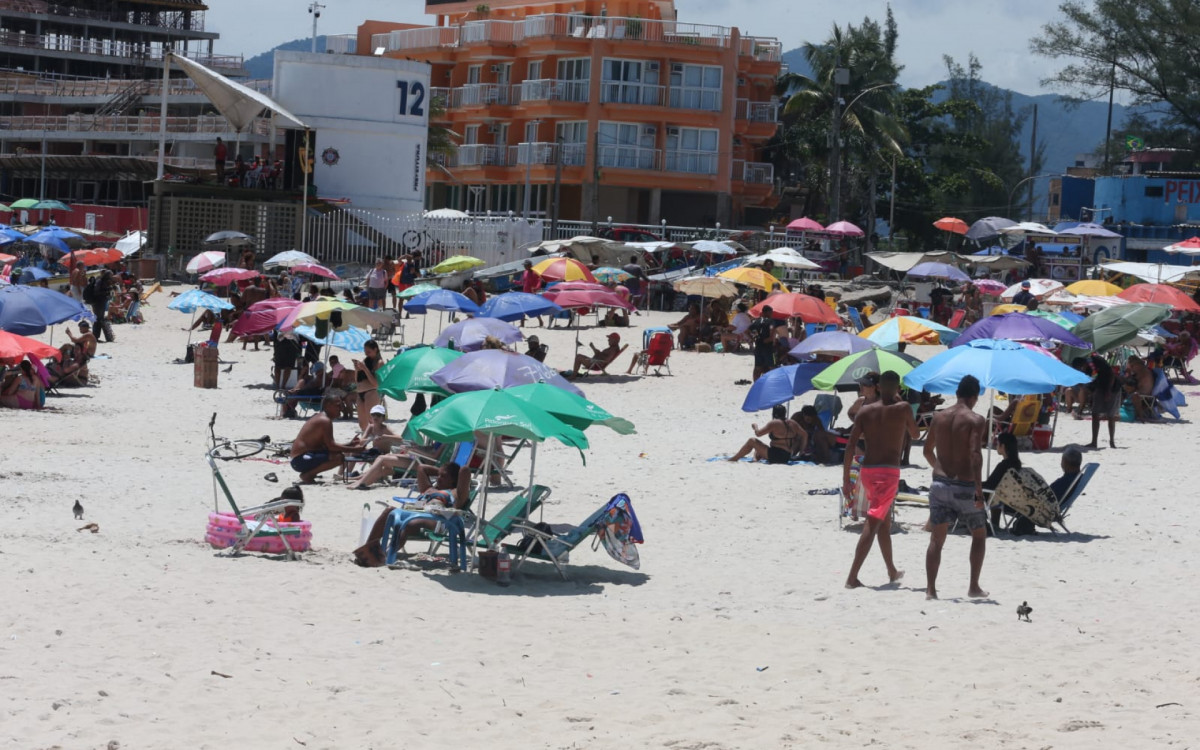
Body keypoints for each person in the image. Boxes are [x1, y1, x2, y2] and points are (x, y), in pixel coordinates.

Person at [843, 370, 920, 589]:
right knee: (874, 521)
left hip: (867, 471)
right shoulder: (903, 408)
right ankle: (852, 577)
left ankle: (892, 570)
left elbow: (850, 447)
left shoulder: (865, 412)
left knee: (884, 523)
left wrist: (845, 479)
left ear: (878, 387)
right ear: (897, 388)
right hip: (888, 473)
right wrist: (901, 404)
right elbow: (915, 434)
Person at [923, 374, 989, 601]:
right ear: (974, 396)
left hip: (940, 483)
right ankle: (973, 586)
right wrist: (979, 490)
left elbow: (926, 451)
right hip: (965, 485)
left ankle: (931, 591)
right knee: (979, 536)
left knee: (936, 541)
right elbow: (975, 456)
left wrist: (939, 470)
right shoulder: (975, 420)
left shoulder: (939, 417)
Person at [353, 460, 473, 568]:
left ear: (453, 479)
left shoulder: (456, 493)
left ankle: (388, 554)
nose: (438, 478)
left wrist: (452, 470)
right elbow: (421, 467)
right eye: (438, 475)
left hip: (437, 518)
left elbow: (465, 470)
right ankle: (368, 550)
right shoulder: (429, 489)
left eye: (443, 476)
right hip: (416, 510)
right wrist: (442, 471)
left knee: (410, 524)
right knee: (388, 511)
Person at [289, 395, 364, 483]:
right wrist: (355, 449)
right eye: (338, 405)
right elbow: (331, 447)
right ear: (328, 406)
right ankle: (308, 475)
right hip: (299, 460)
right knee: (338, 457)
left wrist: (350, 444)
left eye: (341, 405)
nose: (341, 408)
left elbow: (329, 445)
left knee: (337, 453)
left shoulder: (322, 418)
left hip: (299, 459)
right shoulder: (324, 421)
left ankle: (310, 473)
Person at [727, 405, 805, 463]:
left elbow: (758, 434)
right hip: (786, 456)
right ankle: (755, 459)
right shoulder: (793, 423)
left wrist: (755, 426)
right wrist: (801, 452)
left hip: (775, 455)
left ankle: (733, 459)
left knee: (752, 441)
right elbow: (805, 435)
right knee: (759, 448)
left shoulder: (774, 423)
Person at [985, 432, 1022, 529]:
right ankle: (994, 523)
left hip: (997, 497)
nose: (996, 446)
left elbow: (990, 485)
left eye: (997, 444)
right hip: (1009, 498)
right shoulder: (1016, 465)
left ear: (1003, 446)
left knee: (970, 490)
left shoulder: (1003, 466)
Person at [1087, 354, 1121, 448]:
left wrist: (1109, 391)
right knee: (1095, 413)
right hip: (1100, 386)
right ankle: (1094, 442)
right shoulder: (1085, 363)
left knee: (1110, 415)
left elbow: (1111, 374)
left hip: (1112, 387)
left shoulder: (1095, 360)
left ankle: (1112, 442)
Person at [353, 339, 382, 432]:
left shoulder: (379, 363)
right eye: (365, 352)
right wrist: (357, 370)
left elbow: (376, 383)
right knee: (362, 424)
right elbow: (357, 380)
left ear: (376, 349)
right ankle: (365, 442)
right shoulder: (366, 361)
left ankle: (375, 442)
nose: (367, 354)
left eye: (369, 352)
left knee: (372, 421)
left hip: (371, 392)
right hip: (360, 392)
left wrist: (365, 369)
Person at [748, 307, 778, 381]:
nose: (772, 314)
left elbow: (746, 331)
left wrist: (752, 338)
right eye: (771, 312)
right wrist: (768, 340)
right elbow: (771, 336)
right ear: (767, 312)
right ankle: (773, 384)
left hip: (758, 347)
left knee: (757, 367)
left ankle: (755, 384)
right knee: (772, 367)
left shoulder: (757, 321)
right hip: (768, 348)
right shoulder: (771, 322)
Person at [1124, 355, 1158, 422]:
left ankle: (1140, 416)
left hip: (1145, 397)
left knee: (1127, 392)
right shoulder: (1143, 370)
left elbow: (1133, 385)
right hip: (1144, 395)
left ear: (1136, 365)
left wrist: (1128, 373)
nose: (1132, 368)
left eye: (1132, 366)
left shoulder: (1142, 372)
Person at [91, 270, 115, 343]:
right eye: (111, 275)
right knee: (98, 319)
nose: (111, 277)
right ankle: (95, 337)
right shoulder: (100, 281)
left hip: (101, 302)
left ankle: (96, 337)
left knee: (99, 319)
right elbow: (97, 292)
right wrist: (106, 292)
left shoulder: (104, 282)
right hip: (97, 303)